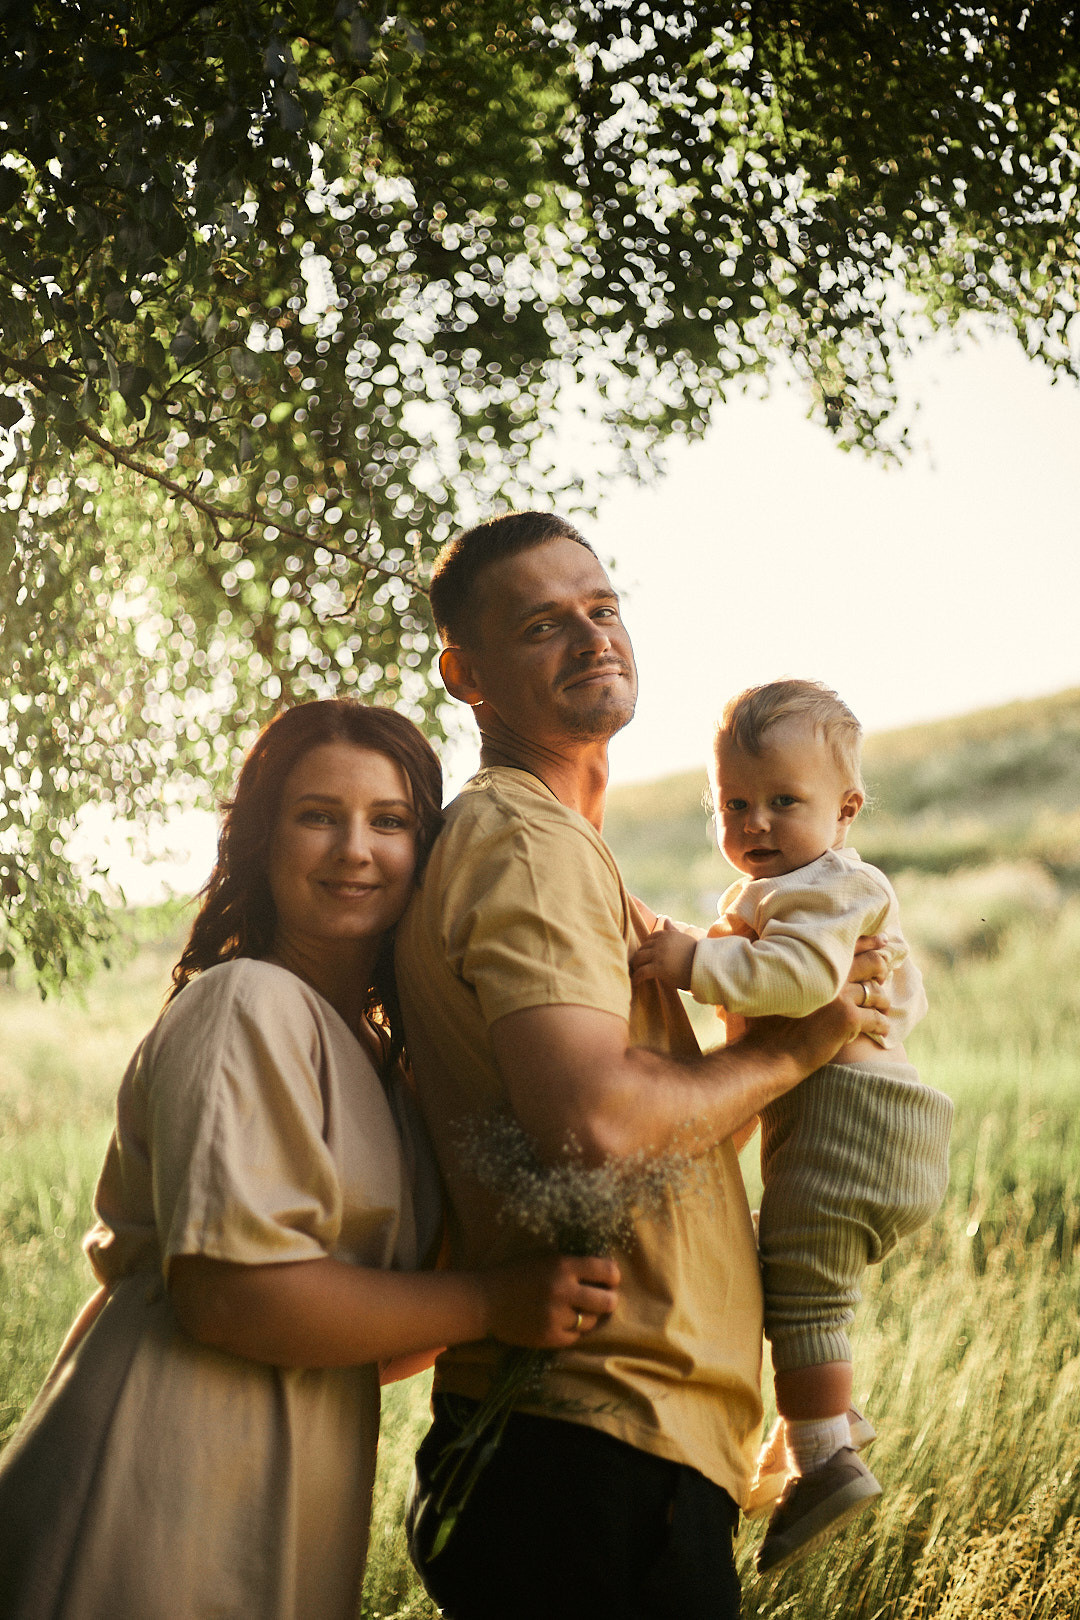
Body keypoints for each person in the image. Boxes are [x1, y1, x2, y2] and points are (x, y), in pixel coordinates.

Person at [0, 699, 619, 1620]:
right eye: (318, 815)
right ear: (262, 840)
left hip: (296, 1475)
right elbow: (235, 1294)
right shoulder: (243, 1003)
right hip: (162, 1466)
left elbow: (369, 1331)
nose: (355, 849)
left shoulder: (383, 1065)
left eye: (391, 821)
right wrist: (494, 1301)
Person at [394, 514, 892, 1620]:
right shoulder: (526, 843)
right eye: (543, 624)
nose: (591, 637)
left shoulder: (570, 851)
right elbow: (597, 1124)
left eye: (602, 608)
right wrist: (805, 1040)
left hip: (620, 1449)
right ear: (464, 675)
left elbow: (646, 1114)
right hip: (587, 1451)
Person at [631, 679, 953, 1575]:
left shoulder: (826, 887)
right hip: (882, 1132)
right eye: (735, 803)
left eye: (784, 802)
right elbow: (891, 991)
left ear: (844, 811)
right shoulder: (818, 891)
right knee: (794, 1274)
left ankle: (824, 1456)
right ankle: (830, 1416)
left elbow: (805, 982)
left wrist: (694, 960)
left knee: (800, 1286)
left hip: (855, 1125)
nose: (757, 823)